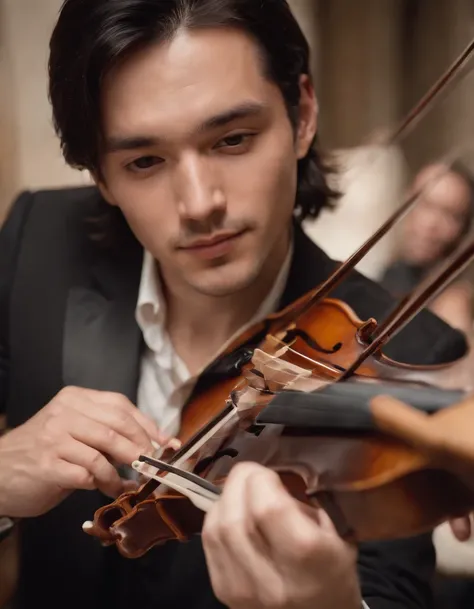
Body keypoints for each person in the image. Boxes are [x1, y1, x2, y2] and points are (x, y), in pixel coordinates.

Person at [0, 1, 468, 609]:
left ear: (301, 115)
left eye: (233, 139)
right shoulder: (39, 241)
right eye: (144, 161)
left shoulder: (410, 350)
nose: (198, 204)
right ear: (101, 175)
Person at [381, 162, 474, 335]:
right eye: (425, 204)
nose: (430, 224)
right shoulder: (391, 272)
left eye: (450, 215)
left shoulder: (452, 307)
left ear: (463, 230)